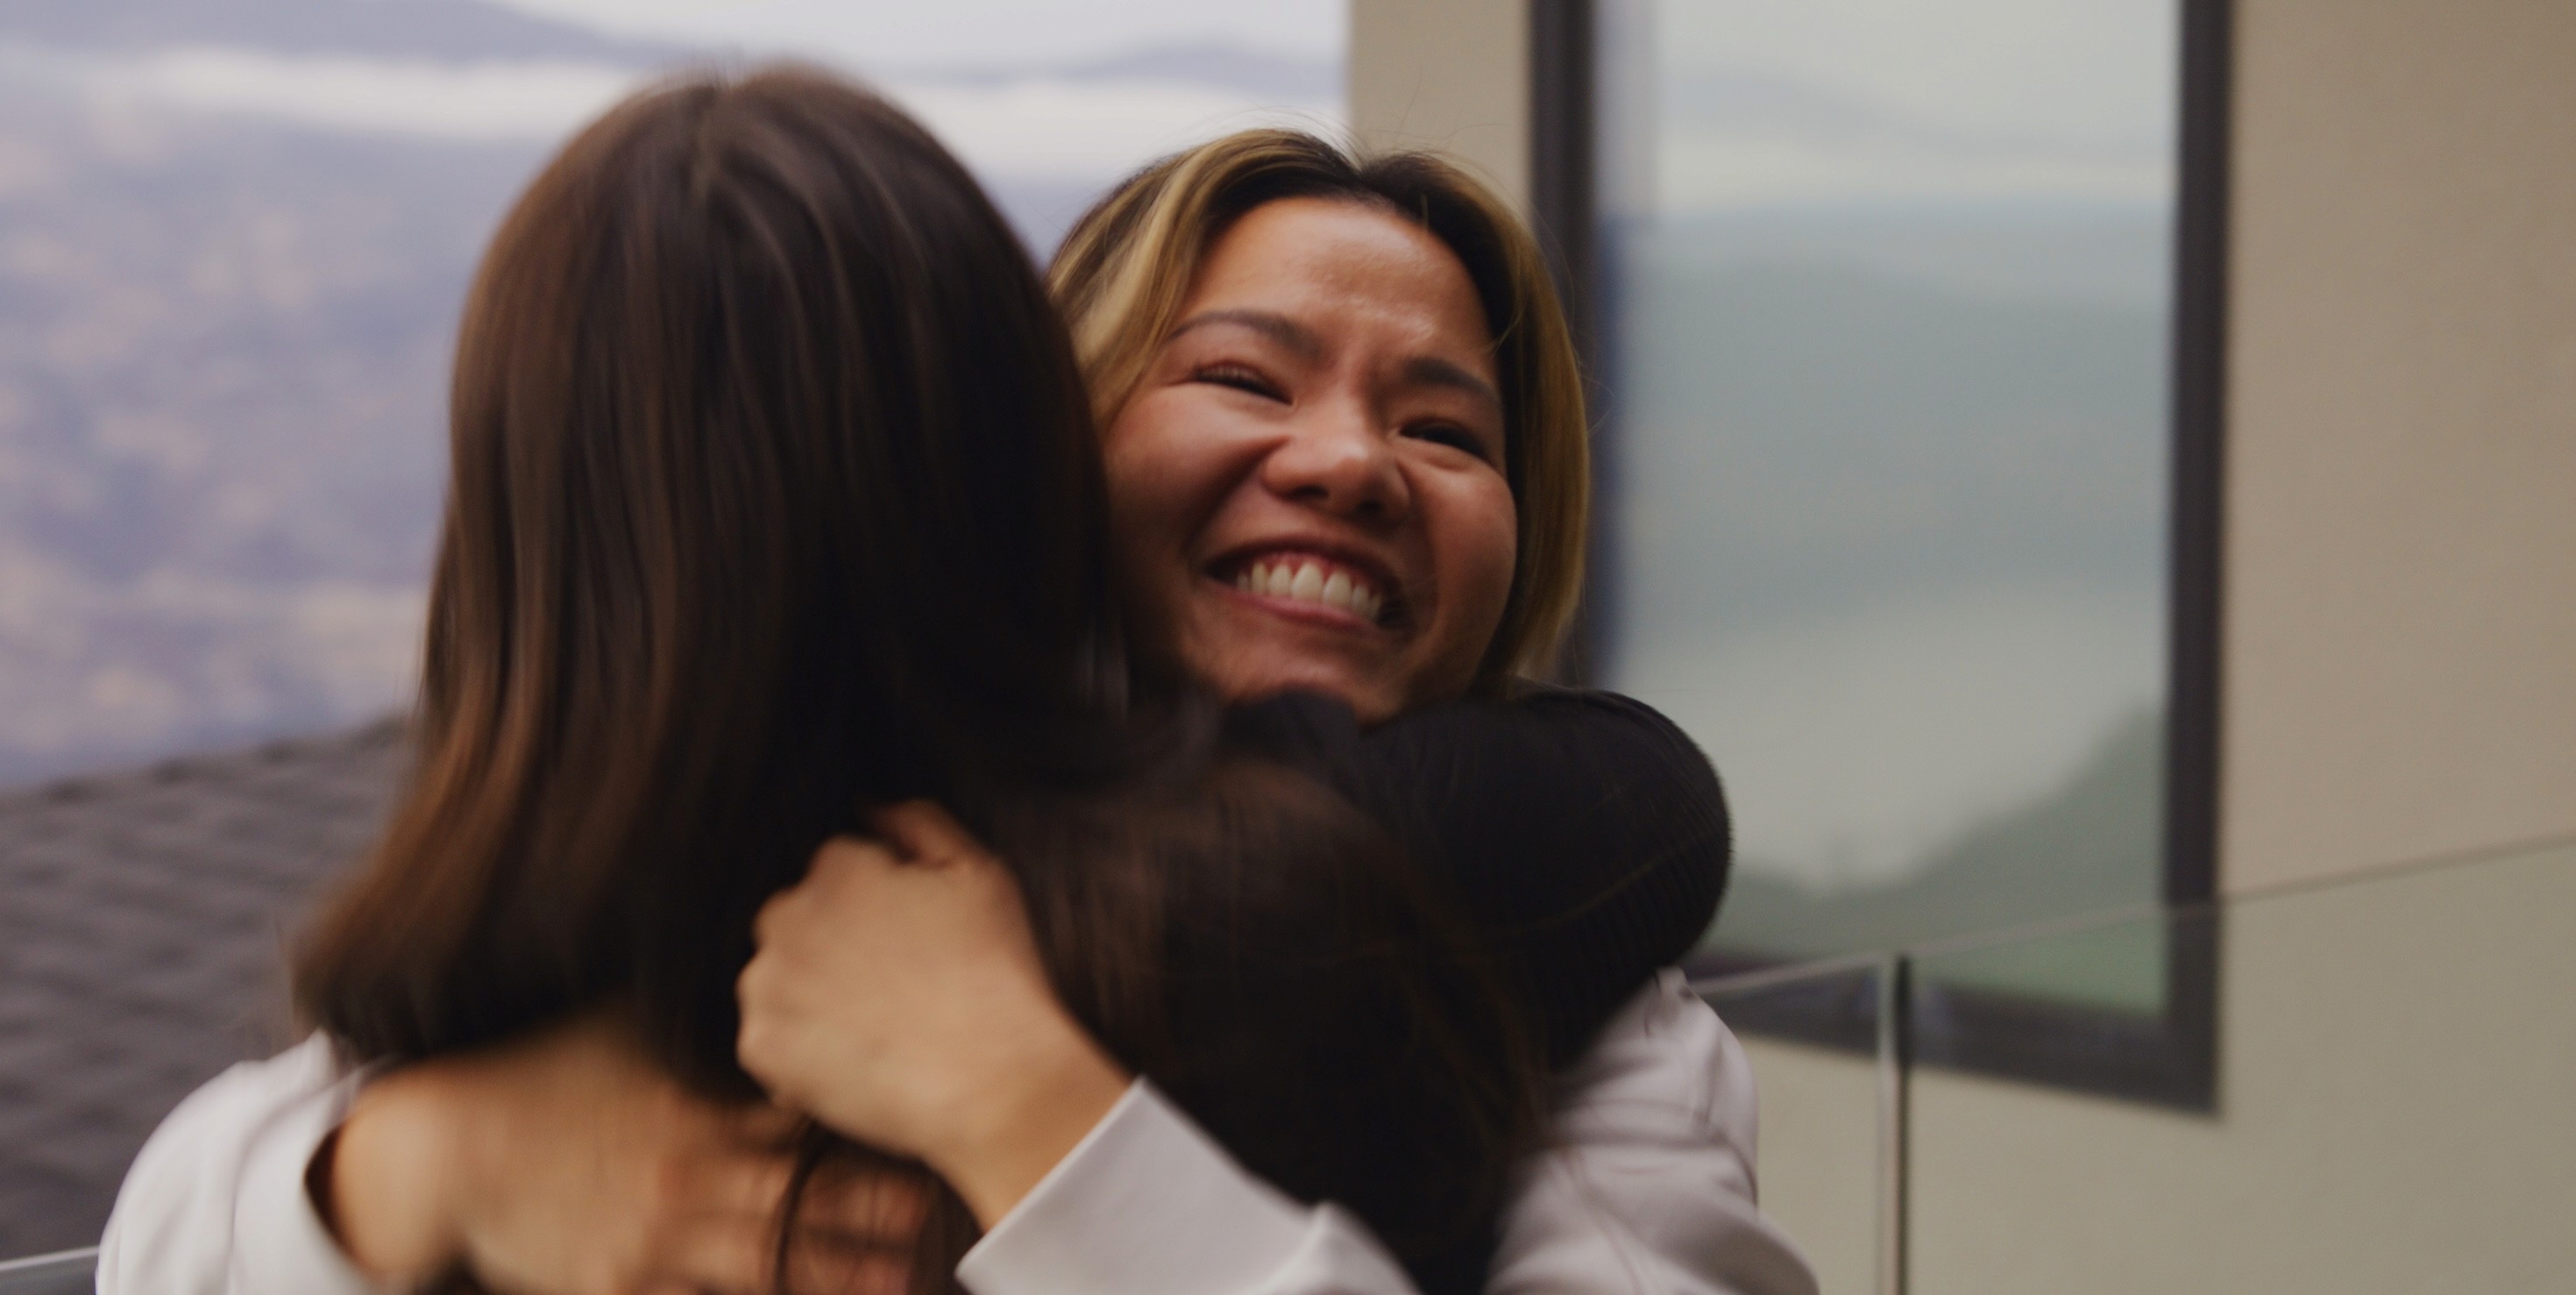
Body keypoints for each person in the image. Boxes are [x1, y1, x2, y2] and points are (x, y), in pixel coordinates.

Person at [102, 76, 1814, 1295]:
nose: (1353, 460)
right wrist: (433, 1162)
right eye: (1241, 375)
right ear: (1043, 448)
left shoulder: (1591, 997)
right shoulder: (724, 877)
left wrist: (1028, 1110)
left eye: (1444, 427)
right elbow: (199, 1203)